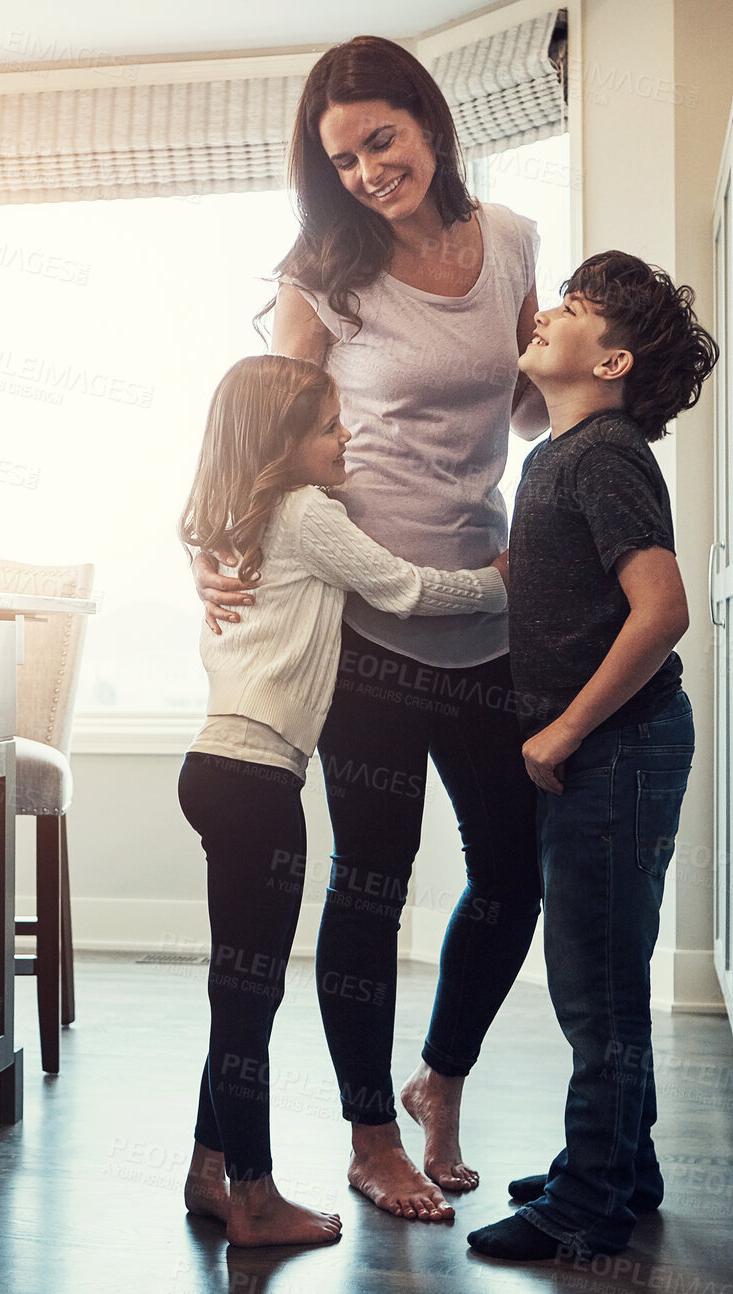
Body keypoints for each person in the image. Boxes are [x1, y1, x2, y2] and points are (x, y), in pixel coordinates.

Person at [195, 33, 549, 1224]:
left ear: (430, 122)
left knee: (511, 871)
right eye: (340, 158)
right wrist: (215, 546)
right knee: (373, 882)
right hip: (369, 630)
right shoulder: (324, 275)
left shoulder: (508, 241)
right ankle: (369, 1133)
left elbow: (529, 389)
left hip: (486, 605)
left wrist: (614, 384)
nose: (364, 172)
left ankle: (440, 1077)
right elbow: (259, 424)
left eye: (379, 141)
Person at [177, 354, 510, 1247]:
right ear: (283, 443)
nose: (345, 436)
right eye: (328, 425)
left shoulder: (234, 516)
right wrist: (501, 582)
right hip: (254, 780)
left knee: (238, 992)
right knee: (247, 999)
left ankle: (208, 1171)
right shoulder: (307, 512)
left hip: (219, 768)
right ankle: (251, 1197)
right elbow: (403, 587)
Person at [465, 250, 719, 1263]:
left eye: (569, 309)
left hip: (617, 750)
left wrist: (564, 730)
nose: (544, 315)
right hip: (613, 753)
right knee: (602, 966)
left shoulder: (604, 450)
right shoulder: (560, 455)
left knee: (593, 982)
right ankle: (622, 1161)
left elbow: (663, 610)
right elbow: (587, 584)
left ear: (610, 359)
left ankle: (592, 1200)